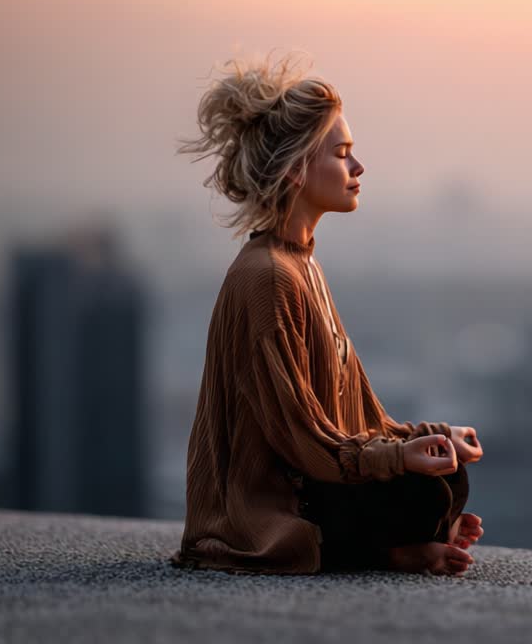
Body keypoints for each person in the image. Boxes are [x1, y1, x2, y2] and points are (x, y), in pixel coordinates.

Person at [169, 54, 484, 577]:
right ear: (296, 169)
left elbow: (355, 416)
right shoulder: (267, 277)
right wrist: (401, 461)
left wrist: (427, 436)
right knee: (423, 494)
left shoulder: (302, 264)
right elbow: (302, 436)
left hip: (321, 483)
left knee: (447, 477)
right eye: (342, 154)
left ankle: (408, 537)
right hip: (278, 505)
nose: (358, 169)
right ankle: (392, 550)